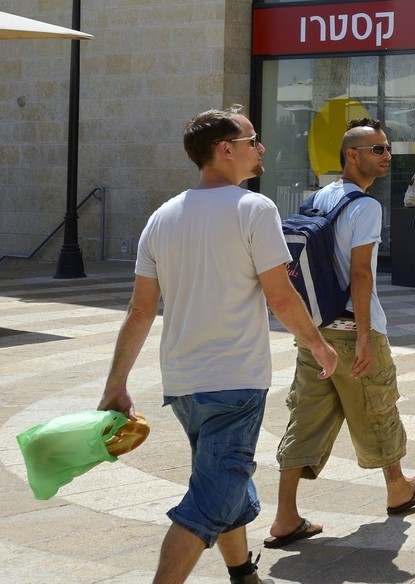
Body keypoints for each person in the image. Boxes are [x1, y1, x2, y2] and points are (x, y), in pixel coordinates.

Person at [98, 107, 338, 584]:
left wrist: (116, 384)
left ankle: (241, 572)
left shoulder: (162, 217)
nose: (261, 148)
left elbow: (139, 311)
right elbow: (279, 295)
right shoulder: (254, 208)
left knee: (223, 480)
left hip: (185, 385)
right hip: (235, 382)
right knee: (210, 498)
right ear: (225, 149)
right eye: (253, 140)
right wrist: (317, 344)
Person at [271, 119, 415, 545]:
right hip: (351, 326)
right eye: (377, 150)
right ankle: (398, 488)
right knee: (378, 404)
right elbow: (362, 274)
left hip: (316, 330)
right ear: (353, 155)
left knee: (306, 414)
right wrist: (365, 336)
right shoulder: (366, 207)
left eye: (387, 149)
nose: (387, 156)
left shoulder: (320, 196)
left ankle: (285, 516)